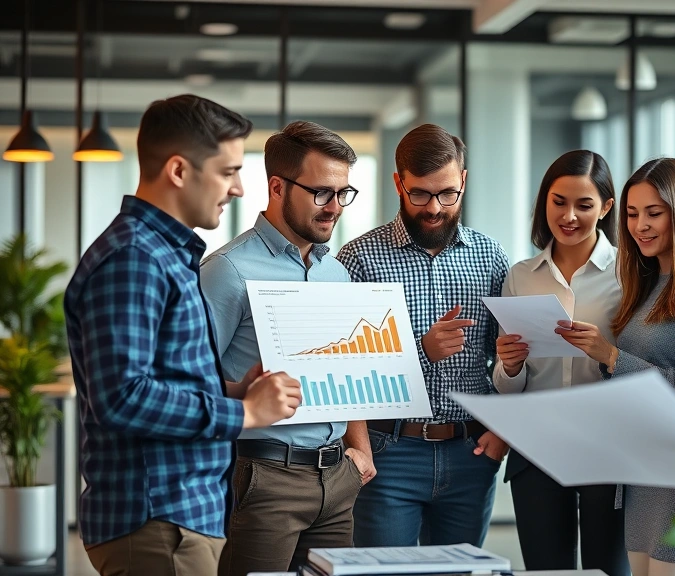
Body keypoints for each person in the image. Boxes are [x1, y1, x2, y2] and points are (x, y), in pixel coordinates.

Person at [64, 94, 302, 575]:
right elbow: (123, 398)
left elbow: (158, 379)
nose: (238, 189)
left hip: (176, 518)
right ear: (178, 170)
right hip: (158, 519)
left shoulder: (161, 254)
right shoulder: (135, 258)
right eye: (228, 171)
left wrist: (236, 389)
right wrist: (244, 412)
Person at [200, 121, 376, 575]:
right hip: (263, 476)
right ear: (277, 186)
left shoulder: (335, 273)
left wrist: (360, 451)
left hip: (338, 477)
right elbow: (189, 381)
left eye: (344, 193)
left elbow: (349, 369)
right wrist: (246, 392)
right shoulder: (227, 271)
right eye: (321, 193)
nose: (335, 207)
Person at [336, 123, 510, 547]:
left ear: (463, 181)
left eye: (447, 193)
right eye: (420, 194)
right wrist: (422, 350)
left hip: (471, 454)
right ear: (399, 182)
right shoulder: (358, 260)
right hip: (389, 453)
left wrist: (504, 430)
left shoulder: (490, 257)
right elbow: (341, 368)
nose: (434, 207)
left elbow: (509, 363)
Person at [557, 157, 675, 576]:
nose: (640, 225)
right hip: (639, 473)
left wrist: (611, 356)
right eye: (631, 214)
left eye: (653, 213)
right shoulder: (642, 283)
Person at [493, 150, 628, 576]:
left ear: (606, 208)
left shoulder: (630, 272)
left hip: (608, 443)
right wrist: (509, 367)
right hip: (537, 444)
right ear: (544, 202)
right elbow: (510, 386)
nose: (569, 216)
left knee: (607, 568)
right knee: (545, 569)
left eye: (584, 205)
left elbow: (643, 360)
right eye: (559, 202)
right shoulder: (521, 275)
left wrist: (605, 353)